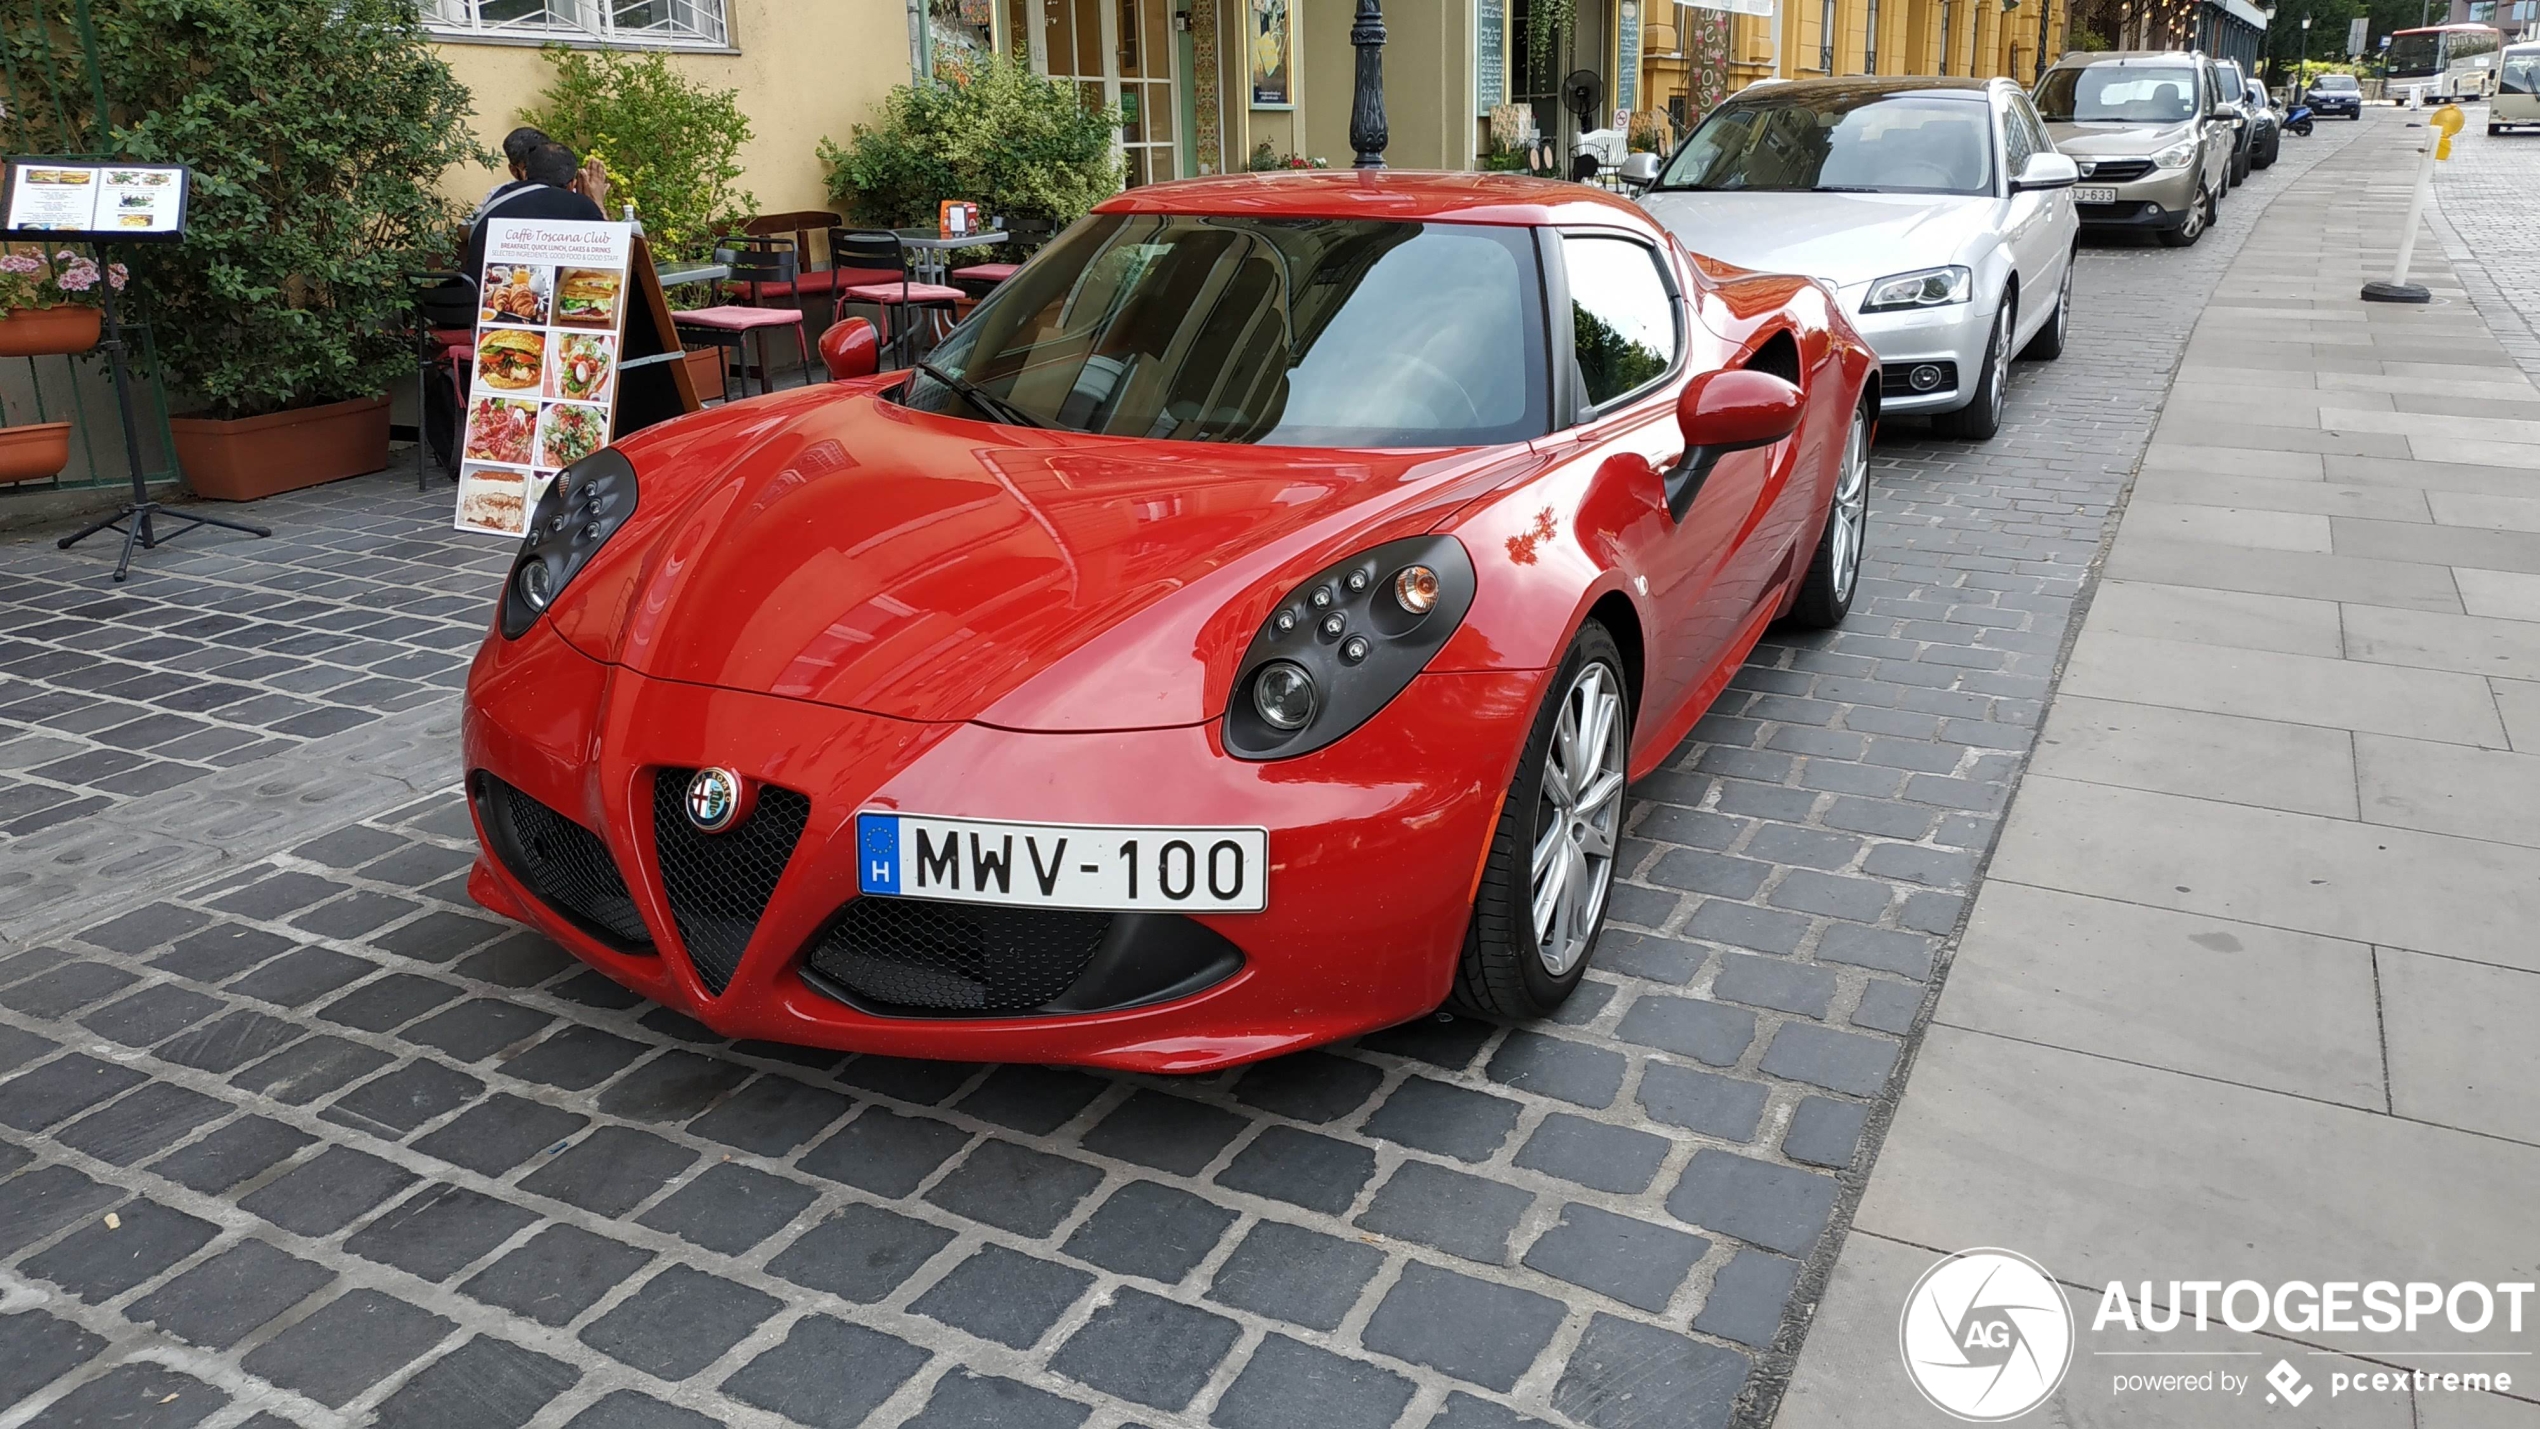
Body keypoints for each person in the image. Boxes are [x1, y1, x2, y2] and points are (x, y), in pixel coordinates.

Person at [463, 142, 612, 279]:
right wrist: (596, 203)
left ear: (525, 174)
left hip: (477, 296)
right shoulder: (579, 205)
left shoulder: (501, 195)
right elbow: (612, 256)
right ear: (571, 184)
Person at [472, 126, 551, 223]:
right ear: (514, 171)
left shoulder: (568, 188)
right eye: (529, 168)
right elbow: (464, 228)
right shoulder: (499, 194)